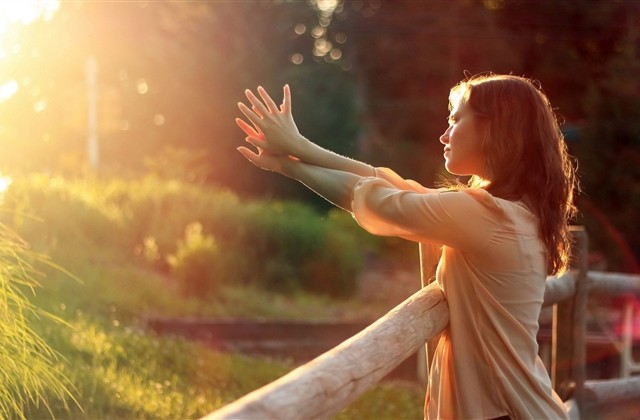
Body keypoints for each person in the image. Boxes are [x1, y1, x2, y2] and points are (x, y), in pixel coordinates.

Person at [235, 74, 576, 419]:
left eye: (456, 119)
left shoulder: (486, 216)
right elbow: (392, 185)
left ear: (494, 129)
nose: (444, 134)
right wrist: (294, 152)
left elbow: (379, 198)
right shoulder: (512, 212)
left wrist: (292, 158)